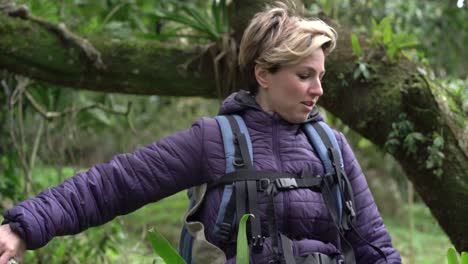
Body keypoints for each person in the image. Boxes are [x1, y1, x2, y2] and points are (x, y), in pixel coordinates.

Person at [0, 2, 402, 264]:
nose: (319, 90)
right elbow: (114, 184)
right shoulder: (216, 141)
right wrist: (21, 228)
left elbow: (375, 247)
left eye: (320, 76)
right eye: (304, 76)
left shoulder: (332, 147)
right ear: (264, 74)